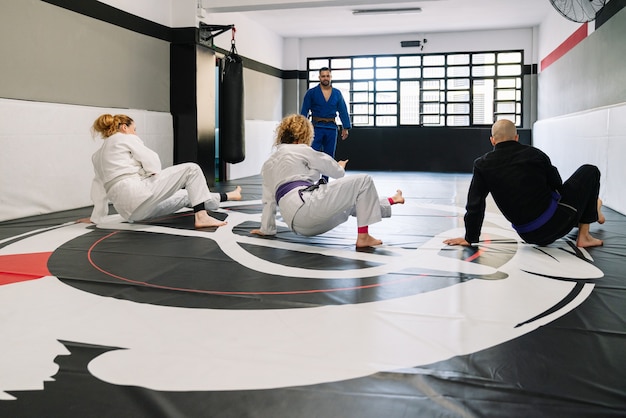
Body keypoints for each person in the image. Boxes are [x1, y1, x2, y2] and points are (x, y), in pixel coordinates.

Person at [443, 119, 605, 249]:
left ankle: (593, 209)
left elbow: (475, 205)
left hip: (528, 235)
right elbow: (558, 185)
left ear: (492, 140)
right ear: (516, 137)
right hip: (555, 224)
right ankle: (585, 235)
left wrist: (470, 238)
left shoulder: (481, 164)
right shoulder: (534, 154)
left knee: (560, 203)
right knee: (589, 170)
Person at [250, 114, 404, 248]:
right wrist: (340, 166)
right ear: (304, 135)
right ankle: (363, 237)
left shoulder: (268, 164)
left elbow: (268, 202)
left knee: (349, 202)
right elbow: (336, 173)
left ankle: (391, 200)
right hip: (306, 206)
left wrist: (266, 229)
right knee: (363, 181)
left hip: (296, 224)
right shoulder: (302, 149)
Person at [79, 114, 241, 228]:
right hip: (137, 193)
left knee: (187, 195)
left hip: (130, 212)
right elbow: (153, 163)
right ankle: (202, 217)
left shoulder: (97, 156)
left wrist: (96, 218)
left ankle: (228, 196)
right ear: (124, 127)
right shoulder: (124, 137)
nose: (135, 133)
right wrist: (151, 172)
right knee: (191, 169)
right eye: (134, 129)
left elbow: (98, 190)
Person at [300, 67, 352, 163]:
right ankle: (312, 178)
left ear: (331, 77)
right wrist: (302, 127)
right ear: (319, 77)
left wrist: (346, 127)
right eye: (323, 76)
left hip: (331, 128)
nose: (325, 78)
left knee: (329, 156)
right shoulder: (311, 93)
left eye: (327, 76)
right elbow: (304, 110)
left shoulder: (337, 93)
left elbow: (343, 110)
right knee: (312, 154)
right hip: (316, 127)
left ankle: (325, 178)